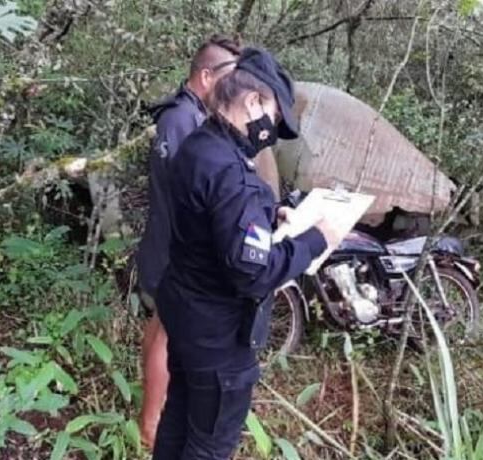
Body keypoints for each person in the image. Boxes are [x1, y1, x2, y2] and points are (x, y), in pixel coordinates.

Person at [152, 47, 342, 459]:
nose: (272, 130)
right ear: (253, 101)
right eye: (274, 118)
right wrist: (317, 239)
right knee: (208, 445)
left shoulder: (202, 143)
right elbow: (252, 271)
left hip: (186, 313)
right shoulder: (229, 169)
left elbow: (213, 214)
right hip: (217, 336)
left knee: (178, 417)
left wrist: (269, 212)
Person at [136, 34, 242, 449]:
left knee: (159, 328)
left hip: (164, 244)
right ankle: (151, 423)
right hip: (170, 249)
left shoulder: (183, 115)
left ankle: (151, 414)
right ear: (205, 75)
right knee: (166, 334)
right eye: (229, 79)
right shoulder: (182, 120)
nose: (235, 90)